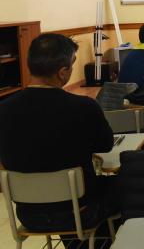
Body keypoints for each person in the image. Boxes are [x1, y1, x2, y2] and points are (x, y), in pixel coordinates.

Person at [0, 34, 117, 244]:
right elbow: (106, 145)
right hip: (80, 211)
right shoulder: (84, 107)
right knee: (125, 186)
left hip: (29, 215)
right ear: (62, 73)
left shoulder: (3, 110)